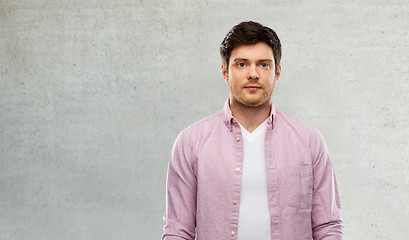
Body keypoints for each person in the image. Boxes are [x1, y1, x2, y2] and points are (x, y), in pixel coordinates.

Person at [162, 21, 343, 240]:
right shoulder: (190, 142)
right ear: (225, 72)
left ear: (277, 73)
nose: (253, 74)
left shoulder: (309, 141)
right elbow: (178, 231)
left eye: (263, 64)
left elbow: (328, 228)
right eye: (241, 64)